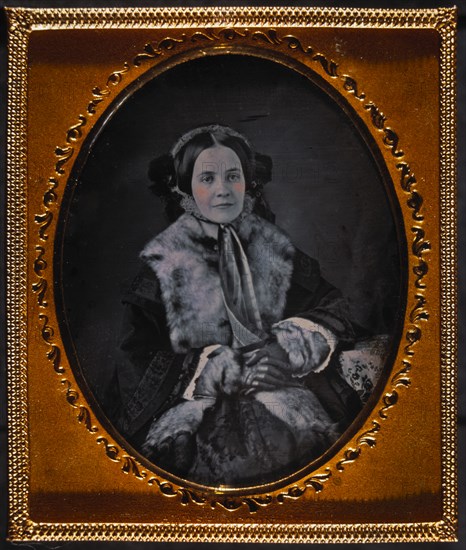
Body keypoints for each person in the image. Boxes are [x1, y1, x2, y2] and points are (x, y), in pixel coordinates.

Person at [113, 124, 362, 486]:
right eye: (207, 178)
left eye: (233, 176)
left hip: (281, 382)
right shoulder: (162, 265)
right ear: (183, 188)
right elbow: (135, 360)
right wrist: (208, 369)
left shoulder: (273, 248)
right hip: (198, 404)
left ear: (249, 184)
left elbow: (337, 306)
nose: (222, 190)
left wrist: (289, 347)